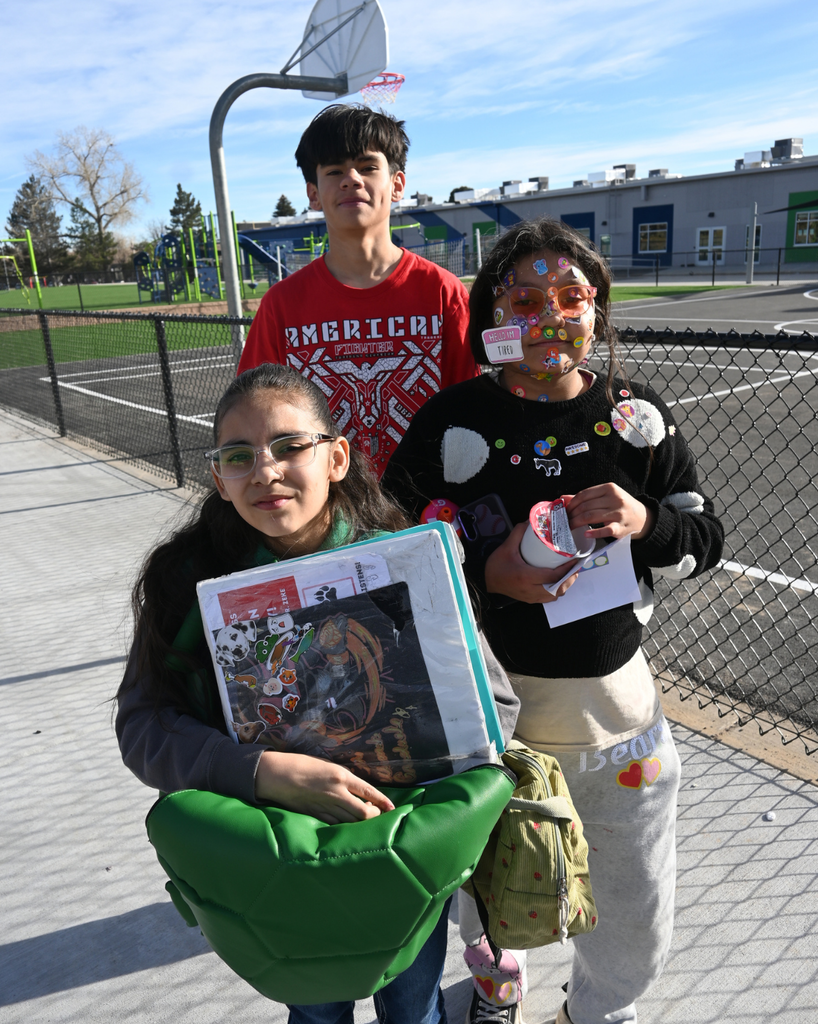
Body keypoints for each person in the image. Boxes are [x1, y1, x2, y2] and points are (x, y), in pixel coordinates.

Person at [382, 218, 725, 1024]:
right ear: (491, 316)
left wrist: (648, 523)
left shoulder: (639, 416)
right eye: (526, 298)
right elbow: (396, 553)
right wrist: (487, 573)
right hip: (486, 725)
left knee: (633, 908)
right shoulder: (450, 420)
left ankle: (598, 1009)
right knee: (489, 891)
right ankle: (497, 990)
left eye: (572, 297)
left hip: (617, 724)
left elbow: (703, 539)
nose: (549, 317)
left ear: (599, 311)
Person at [116, 362, 519, 1024]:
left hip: (401, 847)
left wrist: (415, 748)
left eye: (288, 446)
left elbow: (497, 707)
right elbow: (143, 728)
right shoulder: (182, 580)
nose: (265, 471)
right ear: (218, 478)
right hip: (278, 858)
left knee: (412, 1005)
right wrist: (261, 771)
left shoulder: (406, 561)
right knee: (315, 1012)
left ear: (336, 457)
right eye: (238, 456)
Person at [237, 104, 476, 476]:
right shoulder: (281, 305)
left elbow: (471, 412)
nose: (351, 179)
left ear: (397, 184)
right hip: (325, 518)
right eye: (334, 171)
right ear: (313, 194)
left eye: (367, 167)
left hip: (428, 511)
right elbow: (254, 418)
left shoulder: (443, 293)